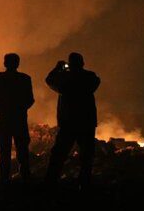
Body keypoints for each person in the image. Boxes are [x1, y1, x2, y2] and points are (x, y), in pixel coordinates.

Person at [45, 52, 101, 189]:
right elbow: (96, 81)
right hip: (86, 122)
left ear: (70, 64)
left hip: (68, 123)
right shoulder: (89, 77)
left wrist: (58, 68)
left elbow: (50, 80)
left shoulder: (65, 78)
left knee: (59, 154)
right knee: (87, 155)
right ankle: (84, 183)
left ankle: (51, 183)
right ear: (82, 63)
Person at [0, 53, 34, 183]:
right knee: (22, 148)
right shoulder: (25, 79)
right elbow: (30, 99)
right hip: (20, 119)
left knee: (4, 149)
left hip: (4, 119)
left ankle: (5, 179)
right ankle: (25, 177)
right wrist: (20, 109)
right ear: (18, 63)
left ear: (5, 63)